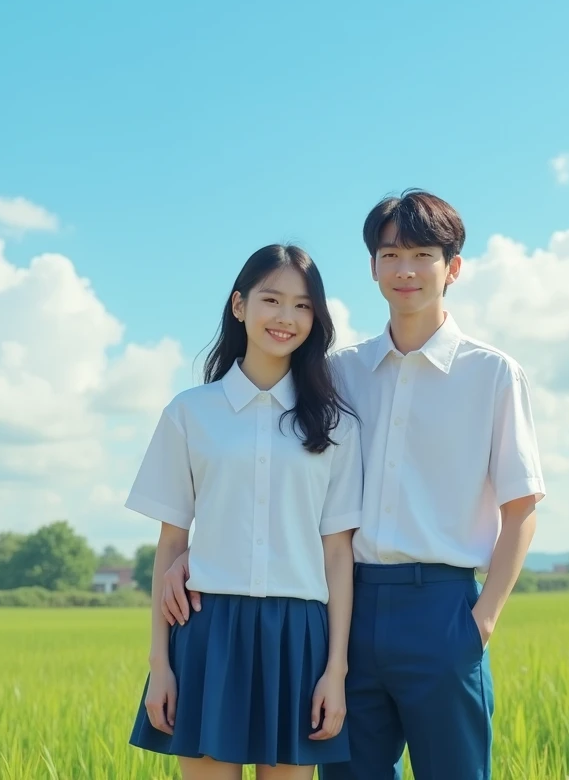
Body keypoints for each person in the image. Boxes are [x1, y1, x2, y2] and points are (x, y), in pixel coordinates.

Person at [162, 191, 546, 780]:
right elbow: (265, 462)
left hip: (441, 608)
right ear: (372, 267)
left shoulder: (492, 374)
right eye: (390, 254)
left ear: (455, 267)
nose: (406, 269)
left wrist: (482, 620)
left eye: (423, 253)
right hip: (345, 608)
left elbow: (521, 509)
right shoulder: (338, 374)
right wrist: (186, 556)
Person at [125, 244, 362, 780]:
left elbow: (337, 553)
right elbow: (171, 546)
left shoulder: (336, 426)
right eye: (271, 299)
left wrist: (335, 672)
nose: (285, 317)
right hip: (209, 634)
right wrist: (160, 665)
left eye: (302, 306)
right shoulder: (190, 412)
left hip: (298, 636)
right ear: (239, 306)